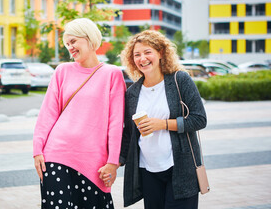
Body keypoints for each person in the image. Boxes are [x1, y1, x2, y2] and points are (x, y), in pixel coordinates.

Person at [33, 18, 126, 209]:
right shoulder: (62, 71)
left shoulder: (112, 74)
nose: (70, 48)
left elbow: (116, 123)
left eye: (73, 41)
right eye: (67, 44)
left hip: (94, 163)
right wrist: (37, 150)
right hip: (56, 156)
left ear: (90, 39)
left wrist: (113, 162)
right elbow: (47, 113)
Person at [119, 30, 207, 209]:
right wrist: (115, 161)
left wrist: (163, 124)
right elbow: (128, 133)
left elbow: (199, 119)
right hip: (148, 170)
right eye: (137, 54)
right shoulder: (132, 93)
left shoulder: (179, 80)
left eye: (147, 52)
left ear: (160, 53)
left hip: (180, 168)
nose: (142, 58)